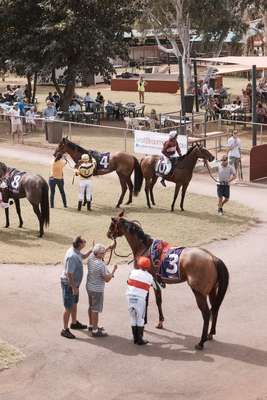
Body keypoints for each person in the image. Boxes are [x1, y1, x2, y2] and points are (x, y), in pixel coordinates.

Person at [60, 236, 92, 339]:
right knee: (68, 307)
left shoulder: (76, 251)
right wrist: (74, 287)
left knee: (74, 303)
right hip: (69, 284)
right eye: (83, 241)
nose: (85, 242)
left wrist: (92, 250)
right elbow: (69, 274)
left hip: (74, 284)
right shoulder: (72, 256)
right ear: (79, 244)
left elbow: (83, 256)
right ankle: (64, 330)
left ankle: (74, 323)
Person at [86, 243, 117, 337]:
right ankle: (95, 331)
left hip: (89, 287)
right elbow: (107, 279)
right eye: (103, 253)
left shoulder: (91, 257)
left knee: (91, 306)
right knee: (96, 309)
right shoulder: (101, 265)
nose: (104, 254)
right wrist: (113, 271)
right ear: (98, 254)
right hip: (97, 290)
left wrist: (109, 247)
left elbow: (97, 250)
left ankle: (91, 325)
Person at [126, 256, 154, 345]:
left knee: (133, 317)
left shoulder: (132, 272)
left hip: (129, 297)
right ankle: (140, 340)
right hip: (140, 299)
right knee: (140, 319)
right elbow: (157, 287)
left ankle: (135, 338)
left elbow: (128, 281)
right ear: (148, 267)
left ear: (139, 265)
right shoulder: (150, 276)